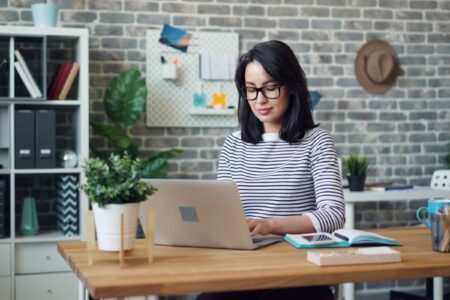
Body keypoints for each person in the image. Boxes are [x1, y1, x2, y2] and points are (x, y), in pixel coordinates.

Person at [198, 40, 345, 300]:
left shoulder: (316, 140)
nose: (260, 100)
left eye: (271, 88)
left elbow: (333, 215)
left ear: (292, 87)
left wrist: (270, 226)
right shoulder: (233, 144)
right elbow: (222, 212)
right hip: (242, 268)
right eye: (251, 90)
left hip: (300, 270)